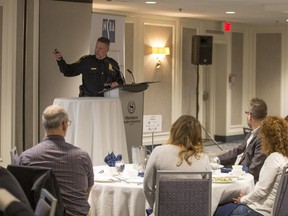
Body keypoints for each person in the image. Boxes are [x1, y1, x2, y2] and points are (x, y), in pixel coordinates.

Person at [18, 105, 94, 216]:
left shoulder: (27, 157)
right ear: (64, 125)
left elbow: (23, 194)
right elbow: (87, 190)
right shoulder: (82, 157)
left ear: (44, 125)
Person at [214, 116, 288, 216]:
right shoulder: (284, 157)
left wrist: (243, 199)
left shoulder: (274, 159)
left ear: (268, 138)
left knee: (216, 209)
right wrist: (247, 196)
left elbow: (261, 191)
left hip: (259, 211)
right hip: (268, 208)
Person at [143, 115, 212, 209]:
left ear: (174, 130)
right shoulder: (203, 158)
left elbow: (148, 188)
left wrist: (157, 208)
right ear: (198, 136)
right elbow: (206, 192)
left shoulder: (158, 152)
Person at [213, 97, 268, 182]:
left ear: (250, 116)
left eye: (247, 113)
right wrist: (218, 159)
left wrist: (236, 180)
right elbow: (238, 151)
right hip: (238, 172)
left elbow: (255, 169)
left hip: (245, 180)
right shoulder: (252, 133)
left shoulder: (262, 137)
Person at [54, 36, 124, 97]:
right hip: (88, 101)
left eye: (100, 48)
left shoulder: (113, 64)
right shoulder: (86, 61)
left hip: (107, 101)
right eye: (96, 47)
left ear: (107, 50)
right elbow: (68, 71)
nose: (97, 50)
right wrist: (60, 60)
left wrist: (118, 84)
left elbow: (121, 81)